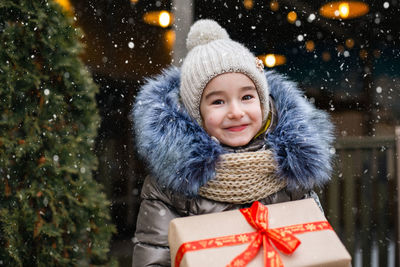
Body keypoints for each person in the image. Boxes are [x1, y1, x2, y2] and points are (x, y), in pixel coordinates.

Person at [130, 19, 334, 266]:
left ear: (264, 104)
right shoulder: (171, 188)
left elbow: (316, 247)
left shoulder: (290, 173)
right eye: (218, 101)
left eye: (247, 96)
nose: (236, 112)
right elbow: (154, 258)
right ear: (197, 114)